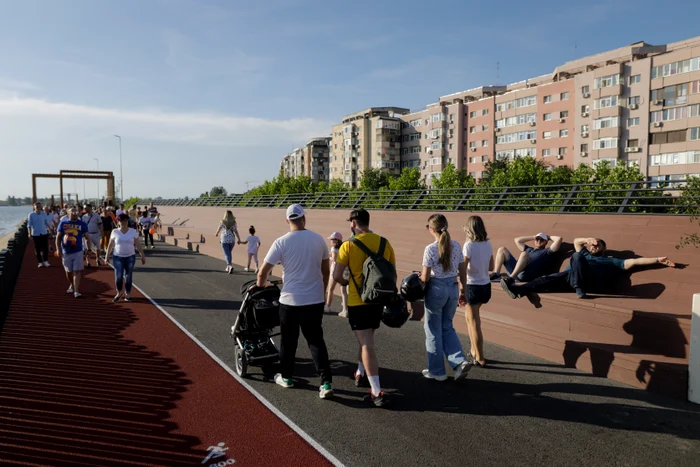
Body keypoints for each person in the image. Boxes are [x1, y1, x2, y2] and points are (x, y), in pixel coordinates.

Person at [255, 204, 334, 399]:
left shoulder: (281, 242)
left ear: (287, 220)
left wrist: (262, 285)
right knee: (316, 341)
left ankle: (287, 377)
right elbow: (326, 270)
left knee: (289, 342)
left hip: (290, 301)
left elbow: (263, 271)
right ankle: (325, 382)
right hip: (314, 299)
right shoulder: (318, 240)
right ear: (304, 219)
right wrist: (323, 291)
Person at [333, 208, 395, 407]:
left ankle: (376, 391)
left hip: (357, 301)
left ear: (353, 223)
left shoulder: (347, 246)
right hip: (377, 300)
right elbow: (392, 276)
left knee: (367, 343)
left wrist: (347, 284)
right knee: (366, 338)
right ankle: (360, 371)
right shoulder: (384, 243)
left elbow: (336, 276)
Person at [501, 237, 677, 300]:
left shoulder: (610, 260)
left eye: (598, 245)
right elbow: (578, 241)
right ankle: (518, 291)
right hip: (568, 279)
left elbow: (632, 262)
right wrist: (589, 239)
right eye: (594, 244)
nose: (595, 246)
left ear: (602, 249)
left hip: (586, 283)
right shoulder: (584, 250)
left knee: (576, 257)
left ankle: (579, 289)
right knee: (544, 280)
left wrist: (657, 259)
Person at [420, 214, 473, 381]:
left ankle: (437, 371)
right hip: (453, 288)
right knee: (447, 327)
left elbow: (426, 277)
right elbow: (462, 271)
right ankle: (459, 362)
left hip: (436, 288)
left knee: (433, 330)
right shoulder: (456, 245)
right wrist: (463, 291)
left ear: (432, 229)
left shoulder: (430, 249)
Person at [462, 215, 493, 367]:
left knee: (474, 323)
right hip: (485, 286)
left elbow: (463, 267)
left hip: (472, 285)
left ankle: (480, 357)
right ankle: (474, 350)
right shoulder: (487, 244)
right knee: (470, 320)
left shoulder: (469, 245)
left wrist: (460, 285)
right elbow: (491, 267)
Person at [490, 232, 563, 282]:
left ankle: (511, 278)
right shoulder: (529, 249)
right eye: (537, 239)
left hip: (525, 275)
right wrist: (533, 237)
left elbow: (559, 239)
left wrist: (548, 237)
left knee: (524, 254)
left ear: (545, 242)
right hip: (515, 270)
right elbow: (517, 240)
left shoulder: (547, 252)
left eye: (541, 240)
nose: (538, 241)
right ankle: (496, 274)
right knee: (502, 249)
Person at [105, 213, 146, 302]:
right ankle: (119, 292)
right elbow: (110, 244)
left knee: (128, 276)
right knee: (119, 276)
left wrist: (142, 255)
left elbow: (138, 244)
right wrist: (107, 256)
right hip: (118, 257)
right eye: (121, 221)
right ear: (118, 222)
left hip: (130, 257)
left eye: (125, 220)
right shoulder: (114, 231)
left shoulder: (132, 231)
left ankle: (128, 294)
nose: (123, 222)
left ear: (127, 221)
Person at [56, 206, 90, 298]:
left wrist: (88, 249)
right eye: (72, 212)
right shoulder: (63, 223)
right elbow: (58, 237)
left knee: (77, 271)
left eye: (76, 212)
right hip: (66, 251)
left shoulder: (82, 224)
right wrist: (58, 249)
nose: (74, 213)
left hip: (78, 251)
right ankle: (72, 284)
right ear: (68, 213)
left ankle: (76, 291)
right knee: (69, 271)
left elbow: (87, 237)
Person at [325, 232, 349, 317]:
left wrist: (329, 256)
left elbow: (334, 259)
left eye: (331, 239)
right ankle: (345, 310)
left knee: (331, 289)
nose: (330, 241)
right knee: (343, 291)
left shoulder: (333, 248)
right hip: (345, 270)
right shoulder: (344, 247)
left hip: (335, 270)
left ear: (335, 240)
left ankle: (327, 306)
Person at [27, 202, 53, 267]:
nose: (38, 208)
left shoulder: (44, 214)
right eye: (37, 206)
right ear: (34, 207)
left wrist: (50, 231)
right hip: (35, 233)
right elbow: (29, 225)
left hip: (44, 232)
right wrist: (29, 233)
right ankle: (40, 262)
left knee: (45, 248)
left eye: (39, 206)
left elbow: (47, 223)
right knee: (37, 249)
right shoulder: (31, 215)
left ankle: (46, 261)